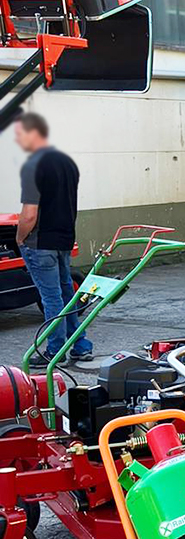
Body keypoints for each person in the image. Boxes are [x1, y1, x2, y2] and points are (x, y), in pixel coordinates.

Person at [14, 112, 93, 366]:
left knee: (51, 299)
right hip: (63, 240)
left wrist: (20, 238)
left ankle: (54, 351)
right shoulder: (67, 163)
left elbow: (29, 213)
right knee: (66, 295)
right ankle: (80, 346)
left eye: (19, 134)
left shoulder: (33, 166)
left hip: (40, 243)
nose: (17, 139)